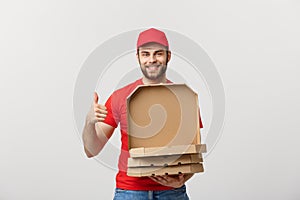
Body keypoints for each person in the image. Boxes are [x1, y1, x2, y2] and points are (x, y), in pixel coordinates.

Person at [82, 28, 203, 200]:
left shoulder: (185, 97)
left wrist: (181, 180)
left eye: (158, 53)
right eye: (145, 54)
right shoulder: (120, 97)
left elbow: (193, 154)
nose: (152, 59)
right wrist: (89, 122)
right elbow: (91, 150)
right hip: (130, 192)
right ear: (138, 57)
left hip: (173, 193)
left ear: (168, 56)